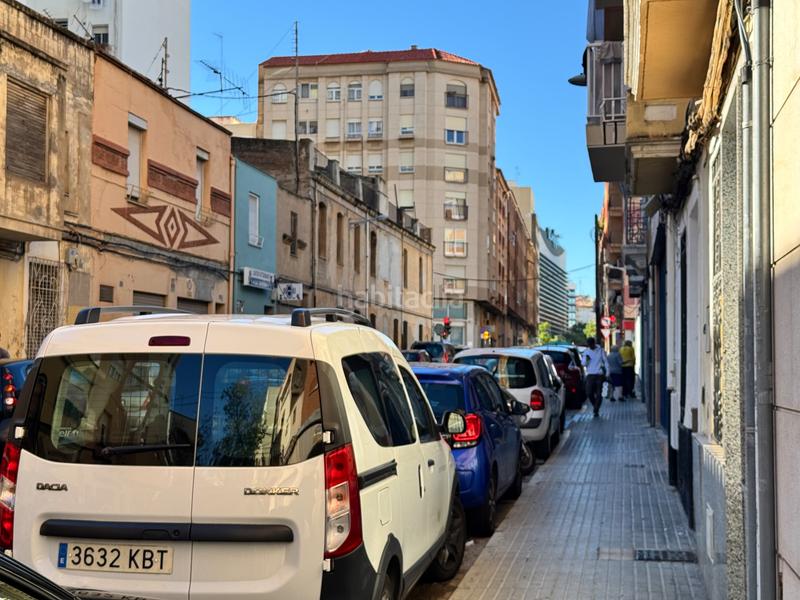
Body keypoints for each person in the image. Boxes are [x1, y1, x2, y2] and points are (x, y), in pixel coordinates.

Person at [583, 337, 610, 418]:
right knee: (589, 393)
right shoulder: (586, 352)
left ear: (594, 343)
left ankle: (596, 409)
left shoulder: (600, 350)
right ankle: (595, 405)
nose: (590, 346)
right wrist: (587, 360)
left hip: (599, 375)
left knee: (599, 393)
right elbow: (583, 364)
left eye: (591, 345)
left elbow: (605, 361)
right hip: (590, 374)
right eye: (589, 345)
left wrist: (607, 373)